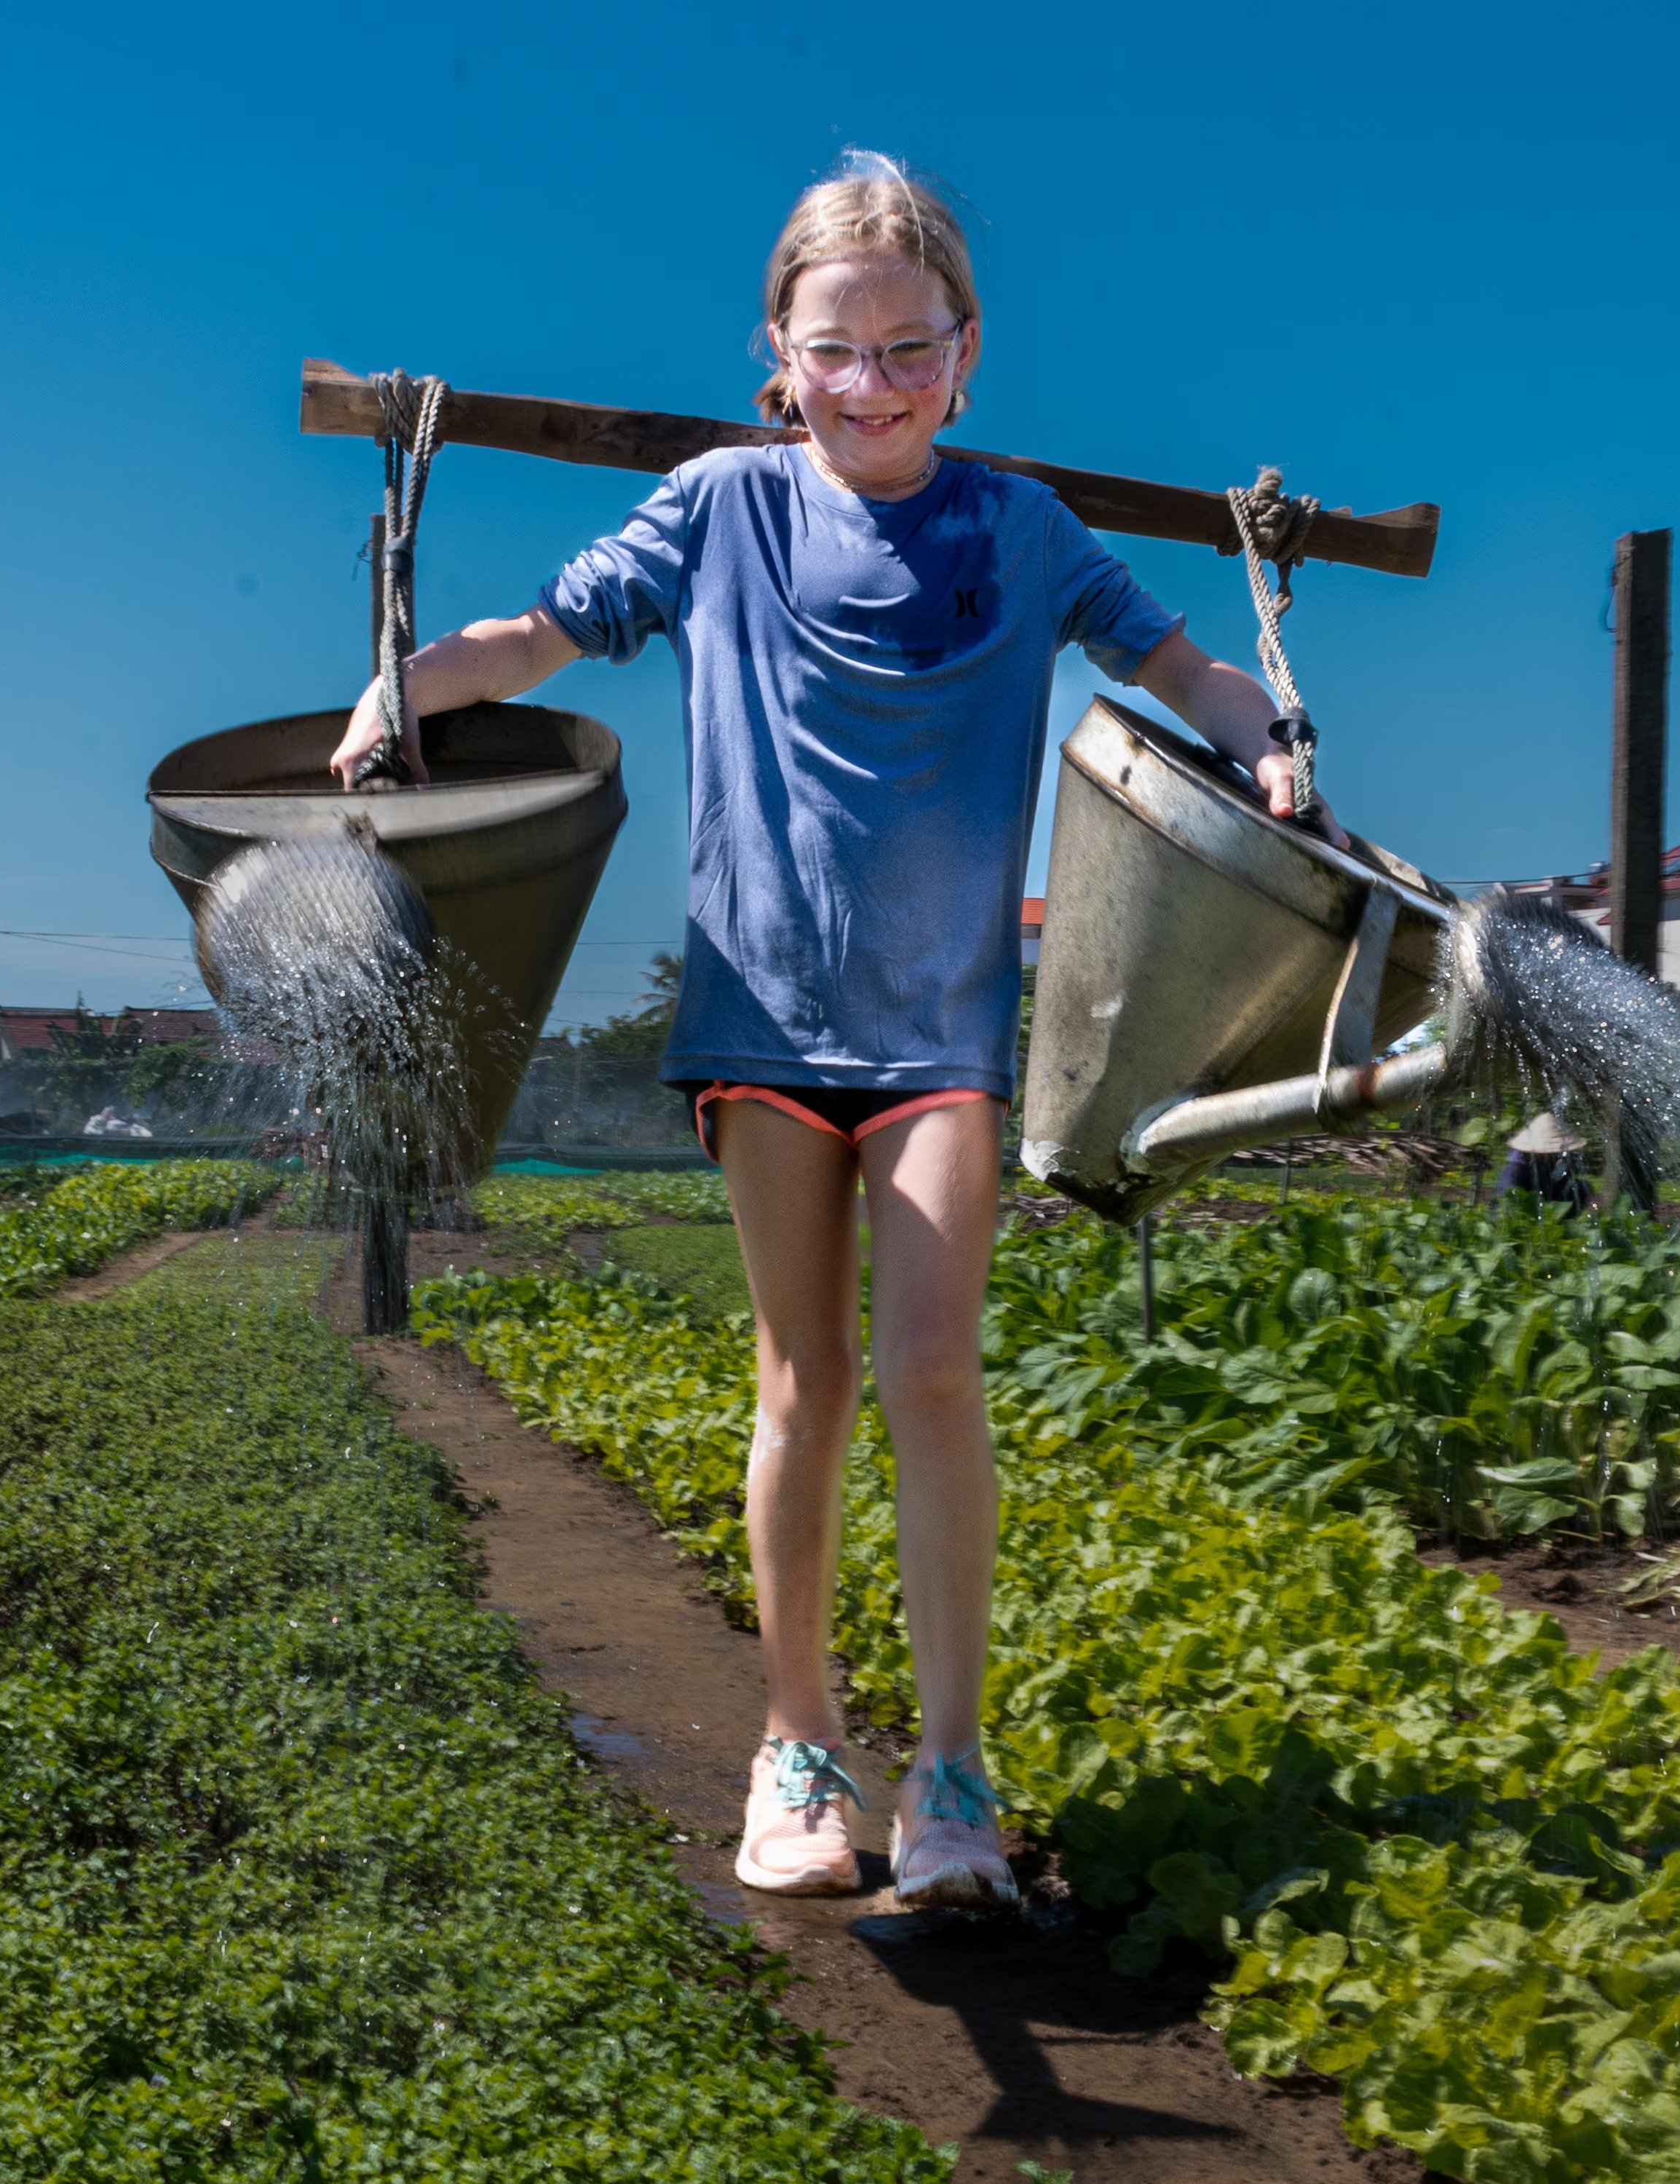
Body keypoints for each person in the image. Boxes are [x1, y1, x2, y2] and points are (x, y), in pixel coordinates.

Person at [330, 154, 1331, 1909]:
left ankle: (949, 1769)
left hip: (941, 1025)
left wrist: (1271, 734)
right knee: (800, 1377)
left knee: (931, 1373)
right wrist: (395, 683)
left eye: (905, 349)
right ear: (774, 357)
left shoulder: (1018, 531)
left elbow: (1185, 671)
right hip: (760, 1012)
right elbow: (534, 639)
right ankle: (792, 1743)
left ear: (963, 354)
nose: (868, 384)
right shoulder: (718, 508)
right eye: (833, 349)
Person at [1496, 1112, 1593, 1209]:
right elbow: (1505, 1203)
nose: (1556, 1155)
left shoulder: (1551, 1162)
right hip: (1517, 1212)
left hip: (1542, 1201)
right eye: (1553, 1153)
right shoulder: (1515, 1171)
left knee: (1582, 1188)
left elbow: (1558, 1180)